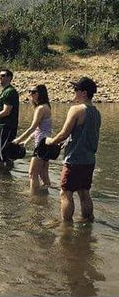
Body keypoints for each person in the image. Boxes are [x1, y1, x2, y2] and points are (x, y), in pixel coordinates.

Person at [45, 77, 101, 222]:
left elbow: (64, 133)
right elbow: (84, 134)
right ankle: (88, 221)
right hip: (89, 160)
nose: (74, 93)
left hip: (74, 159)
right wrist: (67, 141)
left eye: (76, 90)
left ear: (84, 92)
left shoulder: (76, 109)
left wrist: (51, 141)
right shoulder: (96, 112)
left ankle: (66, 227)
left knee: (65, 193)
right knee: (84, 192)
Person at [12, 85, 52, 193]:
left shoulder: (41, 108)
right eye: (29, 91)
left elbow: (32, 127)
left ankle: (34, 201)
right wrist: (26, 141)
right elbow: (39, 129)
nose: (30, 94)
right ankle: (45, 200)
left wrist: (18, 140)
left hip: (42, 144)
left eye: (33, 92)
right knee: (43, 174)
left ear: (40, 94)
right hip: (47, 144)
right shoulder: (46, 107)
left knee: (32, 173)